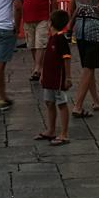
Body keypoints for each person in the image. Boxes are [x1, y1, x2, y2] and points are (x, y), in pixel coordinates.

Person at [35, 9, 73, 146]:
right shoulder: (52, 38)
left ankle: (64, 133)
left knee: (61, 103)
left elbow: (67, 58)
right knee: (49, 102)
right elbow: (47, 58)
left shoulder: (60, 39)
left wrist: (68, 77)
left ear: (51, 23)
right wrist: (43, 74)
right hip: (49, 77)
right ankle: (51, 129)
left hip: (58, 78)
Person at [22, 0, 56, 83]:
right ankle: (40, 67)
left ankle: (36, 68)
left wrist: (53, 14)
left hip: (43, 17)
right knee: (31, 44)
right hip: (27, 18)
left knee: (40, 43)